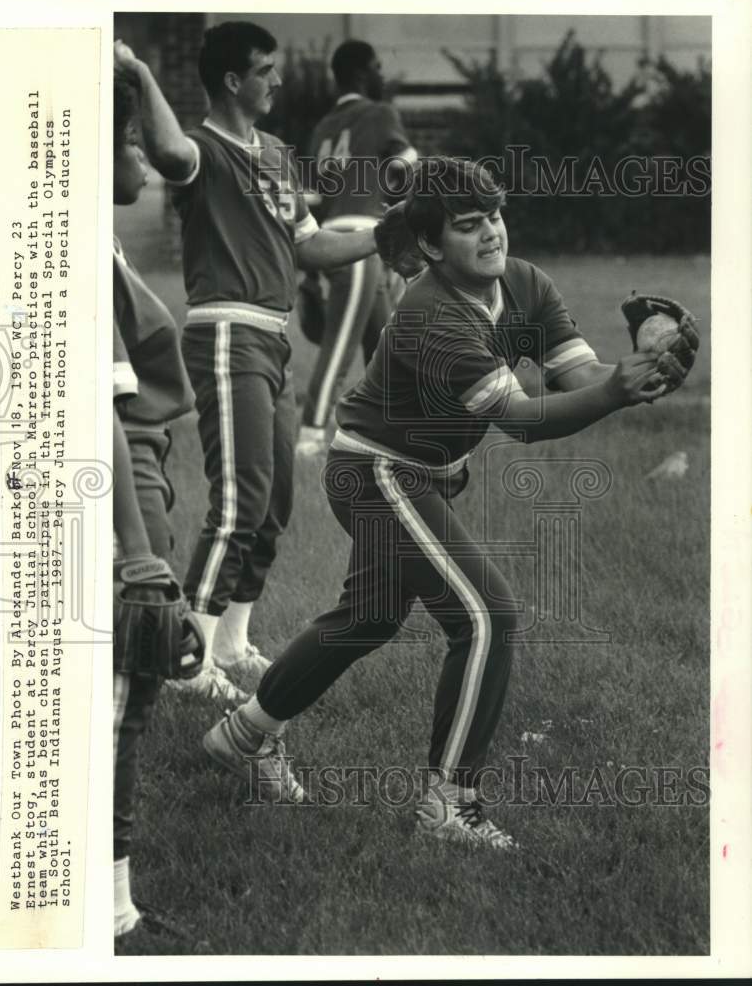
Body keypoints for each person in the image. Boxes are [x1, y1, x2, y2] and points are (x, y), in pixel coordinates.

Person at [201, 157, 697, 846]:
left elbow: (577, 373)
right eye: (469, 226)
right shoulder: (431, 311)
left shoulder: (524, 283)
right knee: (487, 614)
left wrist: (640, 367)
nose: (491, 234)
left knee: (368, 616)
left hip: (422, 474)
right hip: (376, 472)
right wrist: (619, 390)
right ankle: (449, 805)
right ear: (432, 245)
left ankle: (244, 734)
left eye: (494, 216)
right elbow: (523, 420)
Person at [113, 23, 385, 696]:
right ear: (233, 81)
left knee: (277, 503)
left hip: (274, 337)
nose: (279, 80)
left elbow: (313, 247)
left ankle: (231, 642)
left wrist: (394, 228)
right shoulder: (202, 149)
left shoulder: (276, 154)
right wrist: (142, 74)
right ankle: (189, 659)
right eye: (267, 69)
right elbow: (169, 152)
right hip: (227, 333)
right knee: (240, 501)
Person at [112, 76, 218, 944]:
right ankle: (108, 914)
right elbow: (98, 409)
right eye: (126, 143)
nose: (143, 158)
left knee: (129, 695)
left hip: (143, 473)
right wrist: (141, 554)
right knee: (124, 693)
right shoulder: (69, 244)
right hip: (124, 487)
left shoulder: (101, 243)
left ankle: (111, 899)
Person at [297, 39, 417, 456]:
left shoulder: (323, 127)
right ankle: (310, 436)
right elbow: (406, 165)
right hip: (365, 238)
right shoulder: (380, 113)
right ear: (364, 72)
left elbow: (312, 198)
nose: (383, 74)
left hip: (328, 238)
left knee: (384, 344)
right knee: (341, 343)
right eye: (379, 66)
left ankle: (388, 432)